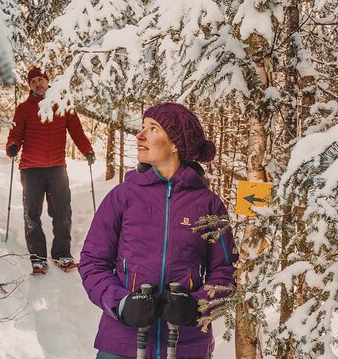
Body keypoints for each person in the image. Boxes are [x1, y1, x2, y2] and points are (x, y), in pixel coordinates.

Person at [79, 102, 237, 359]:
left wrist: (197, 307)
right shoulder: (123, 196)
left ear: (175, 143)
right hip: (123, 343)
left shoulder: (209, 204)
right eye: (142, 128)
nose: (140, 136)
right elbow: (92, 262)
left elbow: (225, 271)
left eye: (153, 129)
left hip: (187, 346)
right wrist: (120, 304)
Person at [6, 67, 96, 274]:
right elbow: (16, 133)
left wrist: (87, 150)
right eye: (33, 81)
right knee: (32, 213)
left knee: (62, 210)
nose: (38, 84)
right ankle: (37, 257)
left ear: (48, 82)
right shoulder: (23, 109)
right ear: (30, 85)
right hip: (31, 170)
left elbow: (77, 132)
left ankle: (62, 253)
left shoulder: (62, 106)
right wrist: (12, 146)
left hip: (57, 168)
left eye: (41, 80)